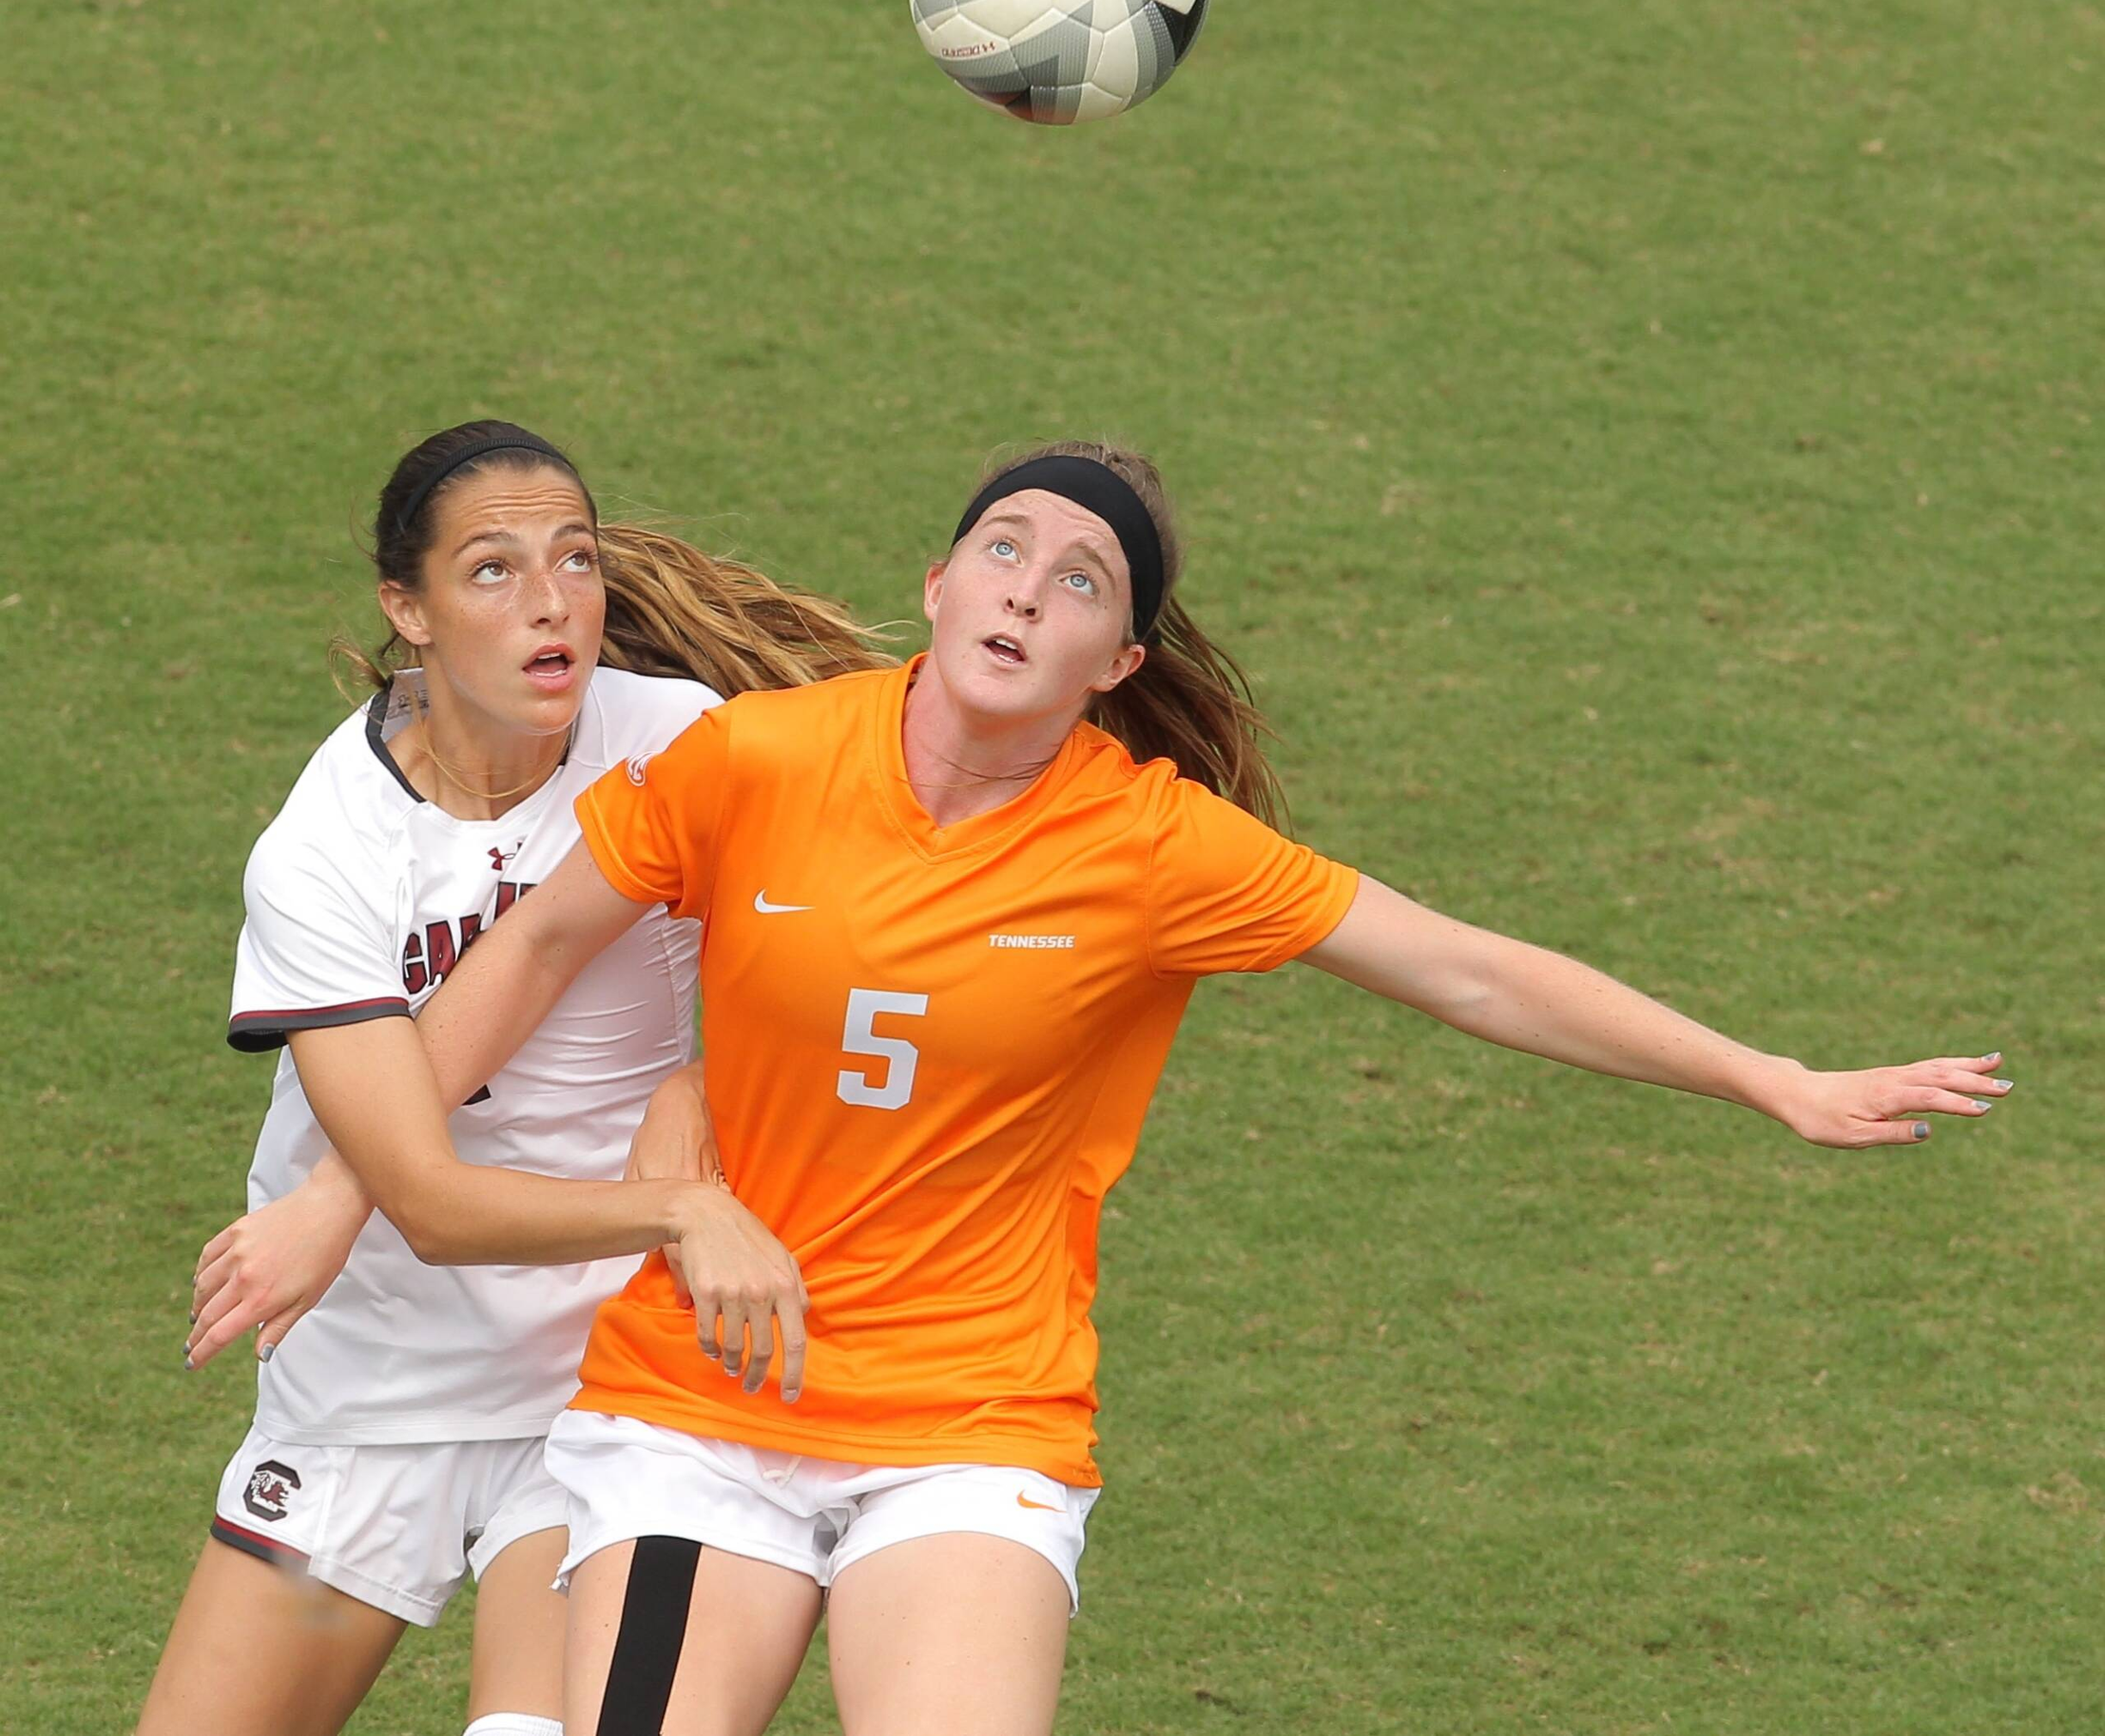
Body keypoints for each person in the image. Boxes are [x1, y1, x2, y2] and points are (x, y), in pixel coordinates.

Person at [338, 439, 2008, 1736]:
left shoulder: (1153, 850)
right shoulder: (758, 762)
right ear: (935, 583)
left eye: (1076, 581)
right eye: (1003, 550)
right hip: (696, 1415)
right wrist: (345, 1193)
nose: (1025, 589)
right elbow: (534, 954)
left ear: (1117, 659)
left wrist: (1763, 1075)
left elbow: (1471, 969)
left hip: (967, 1426)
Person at [140, 420, 883, 1736]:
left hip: (603, 1387)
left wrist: (691, 1100)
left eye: (574, 558)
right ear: (406, 612)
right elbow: (429, 1199)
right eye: (491, 571)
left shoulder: (685, 743)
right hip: (371, 1386)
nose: (551, 603)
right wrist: (680, 1209)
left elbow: (825, 975)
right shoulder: (325, 852)